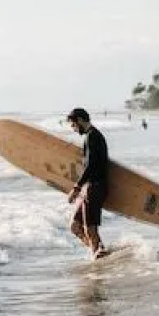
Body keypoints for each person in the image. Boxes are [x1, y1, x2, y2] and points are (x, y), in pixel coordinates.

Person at [65, 107, 110, 258]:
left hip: (95, 187)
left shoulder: (93, 136)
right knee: (75, 226)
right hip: (91, 187)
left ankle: (98, 257)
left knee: (90, 229)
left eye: (73, 125)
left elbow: (91, 165)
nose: (73, 129)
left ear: (79, 120)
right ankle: (100, 252)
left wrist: (77, 187)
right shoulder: (92, 136)